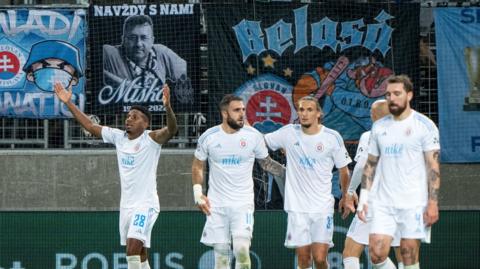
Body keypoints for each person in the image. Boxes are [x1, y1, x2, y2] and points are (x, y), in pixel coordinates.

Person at [54, 82, 177, 269]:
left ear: (146, 124)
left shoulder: (151, 139)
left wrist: (167, 108)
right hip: (126, 206)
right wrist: (69, 102)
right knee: (140, 254)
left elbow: (171, 130)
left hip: (146, 204)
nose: (129, 119)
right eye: (128, 116)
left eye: (135, 117)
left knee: (132, 249)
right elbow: (89, 124)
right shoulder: (118, 137)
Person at [191, 94, 285, 269]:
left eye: (243, 110)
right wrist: (198, 194)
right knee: (221, 258)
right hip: (216, 205)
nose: (242, 114)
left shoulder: (253, 136)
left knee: (242, 251)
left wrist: (288, 172)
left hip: (243, 203)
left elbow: (266, 163)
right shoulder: (208, 137)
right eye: (237, 110)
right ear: (225, 114)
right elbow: (197, 165)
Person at [357, 75, 441, 269]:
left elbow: (433, 166)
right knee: (377, 254)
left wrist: (433, 202)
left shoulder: (425, 126)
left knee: (408, 254)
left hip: (413, 200)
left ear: (409, 95)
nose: (392, 98)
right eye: (388, 94)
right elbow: (370, 165)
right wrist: (363, 199)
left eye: (397, 93)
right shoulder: (378, 127)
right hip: (382, 201)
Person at [264, 96, 352, 269]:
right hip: (297, 208)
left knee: (320, 258)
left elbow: (344, 170)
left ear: (319, 113)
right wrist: (243, 132)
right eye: (301, 109)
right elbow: (261, 141)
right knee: (304, 260)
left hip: (322, 208)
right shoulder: (288, 133)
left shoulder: (332, 137)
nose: (304, 114)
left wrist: (345, 196)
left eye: (309, 110)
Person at [342, 100, 404, 269]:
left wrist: (349, 192)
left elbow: (362, 165)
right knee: (392, 257)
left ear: (376, 116)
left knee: (350, 253)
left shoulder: (369, 135)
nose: (370, 114)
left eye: (371, 111)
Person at [103, 15, 187, 90]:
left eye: (144, 38)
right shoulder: (110, 53)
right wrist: (126, 85)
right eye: (132, 37)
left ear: (152, 40)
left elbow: (189, 72)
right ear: (123, 40)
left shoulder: (161, 52)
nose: (138, 44)